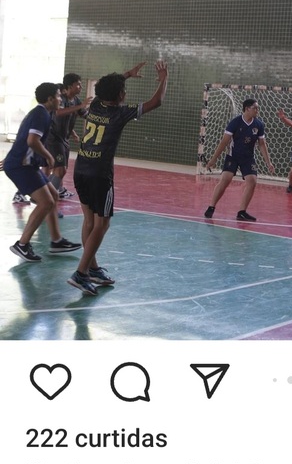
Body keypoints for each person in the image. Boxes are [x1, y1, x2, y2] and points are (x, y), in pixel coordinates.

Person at [67, 60, 168, 295]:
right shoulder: (120, 113)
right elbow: (156, 102)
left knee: (89, 221)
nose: (125, 92)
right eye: (123, 89)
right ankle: (81, 273)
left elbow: (106, 86)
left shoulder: (95, 104)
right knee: (102, 224)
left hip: (80, 169)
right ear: (120, 96)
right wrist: (164, 79)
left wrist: (127, 75)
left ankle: (91, 268)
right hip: (100, 175)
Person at [2, 82, 82, 262]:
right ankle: (22, 244)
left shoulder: (43, 113)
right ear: (50, 99)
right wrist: (49, 156)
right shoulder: (40, 114)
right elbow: (32, 140)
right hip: (21, 166)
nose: (60, 99)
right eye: (58, 96)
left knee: (53, 195)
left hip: (25, 165)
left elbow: (23, 137)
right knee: (46, 202)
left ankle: (57, 241)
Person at [204, 98, 275, 222]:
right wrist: (213, 159)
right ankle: (211, 207)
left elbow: (262, 144)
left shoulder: (259, 124)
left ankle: (242, 212)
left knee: (252, 181)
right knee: (225, 179)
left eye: (257, 108)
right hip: (233, 156)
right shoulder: (235, 122)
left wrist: (268, 162)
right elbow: (224, 141)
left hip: (248, 158)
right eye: (255, 108)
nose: (257, 110)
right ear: (247, 109)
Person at [45, 73, 92, 200]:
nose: (81, 87)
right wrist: (80, 106)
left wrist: (102, 117)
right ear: (70, 86)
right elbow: (59, 113)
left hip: (64, 140)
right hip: (54, 139)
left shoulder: (76, 100)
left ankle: (49, 192)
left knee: (62, 170)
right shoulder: (61, 99)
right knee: (58, 169)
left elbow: (85, 115)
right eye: (78, 85)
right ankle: (44, 195)